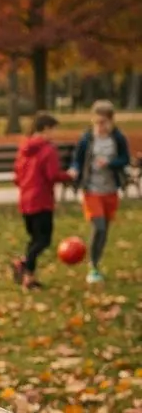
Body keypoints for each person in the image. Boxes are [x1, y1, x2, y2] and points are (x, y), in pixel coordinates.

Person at [11, 112, 72, 290]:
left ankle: (27, 274)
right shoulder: (48, 149)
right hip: (42, 201)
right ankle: (24, 267)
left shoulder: (24, 148)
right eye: (54, 130)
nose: (55, 134)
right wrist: (70, 175)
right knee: (44, 240)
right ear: (45, 129)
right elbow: (52, 175)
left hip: (25, 202)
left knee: (34, 239)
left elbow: (17, 177)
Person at [72, 101, 131, 284]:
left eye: (104, 122)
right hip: (92, 189)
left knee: (104, 232)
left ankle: (96, 263)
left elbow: (125, 159)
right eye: (97, 122)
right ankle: (93, 266)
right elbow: (77, 160)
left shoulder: (118, 138)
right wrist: (75, 169)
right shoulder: (87, 139)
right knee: (99, 227)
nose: (100, 126)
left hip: (110, 190)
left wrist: (110, 163)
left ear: (111, 121)